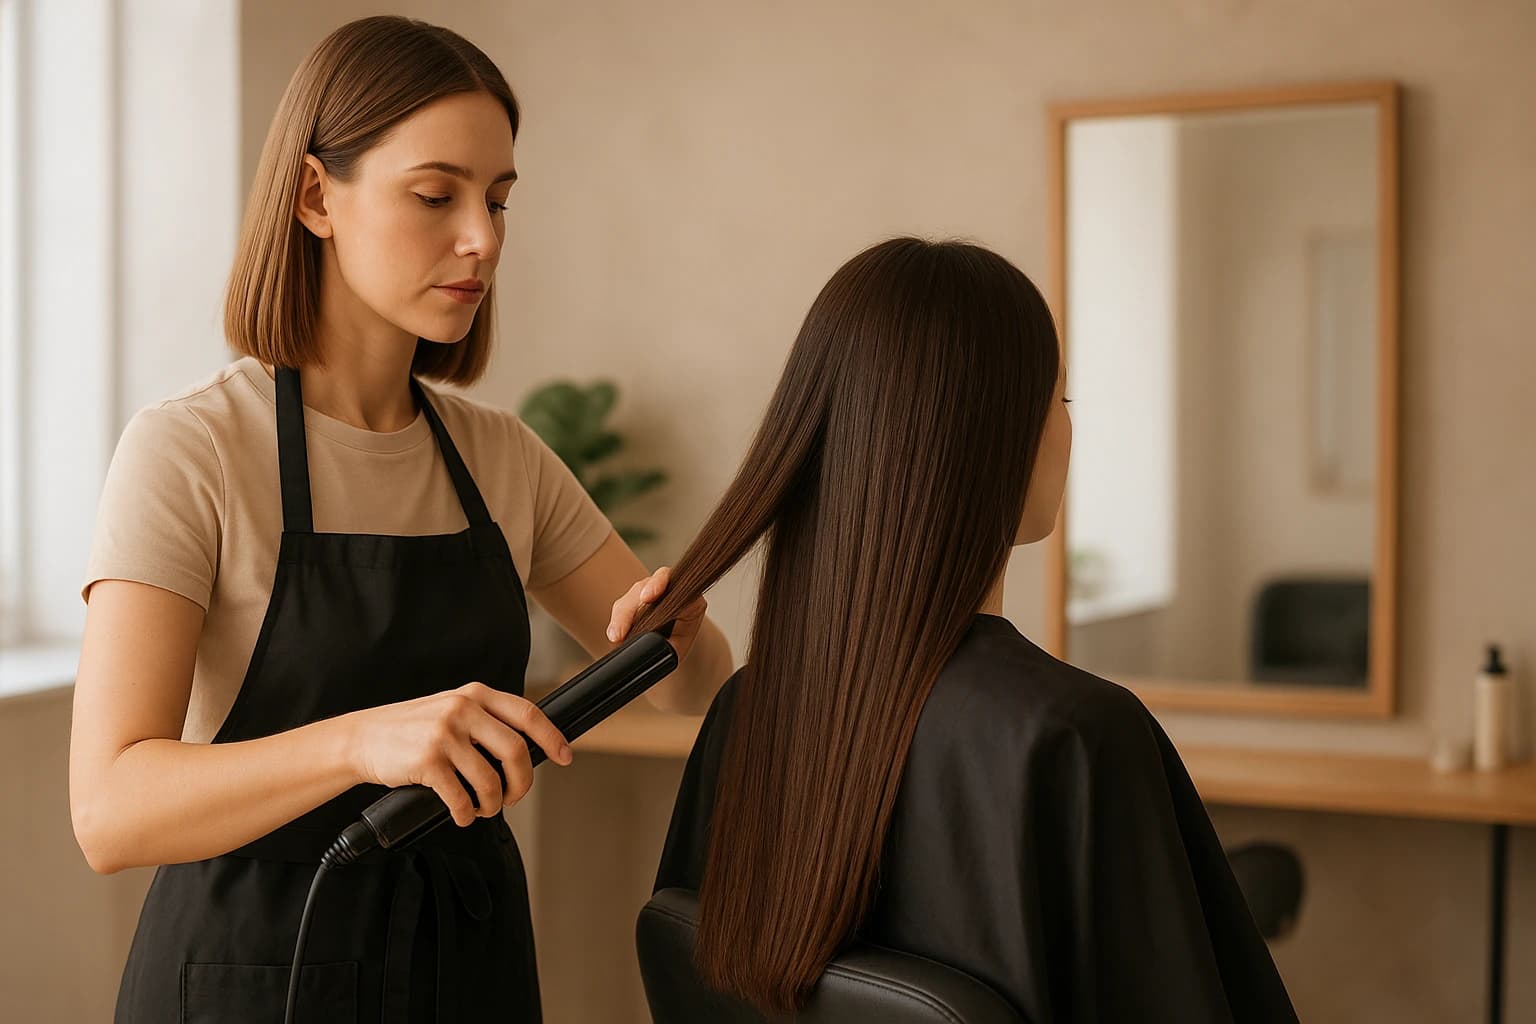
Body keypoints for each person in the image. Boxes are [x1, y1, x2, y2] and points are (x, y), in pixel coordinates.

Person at [68, 16, 732, 1023]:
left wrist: (680, 640)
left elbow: (706, 691)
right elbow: (109, 810)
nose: (484, 238)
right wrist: (365, 742)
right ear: (314, 195)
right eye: (436, 195)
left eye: (500, 200)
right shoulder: (192, 450)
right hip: (251, 977)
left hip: (466, 968)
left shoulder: (501, 458)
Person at [614, 237, 1299, 1022]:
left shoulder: (749, 712)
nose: (1067, 430)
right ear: (997, 439)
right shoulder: (1072, 736)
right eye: (1062, 400)